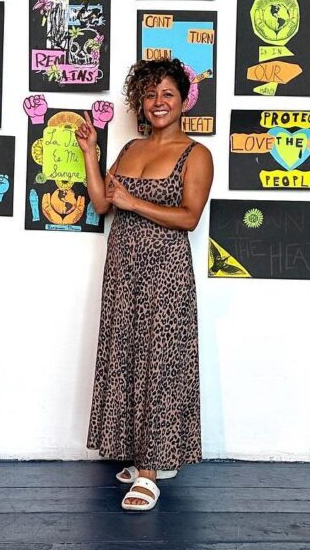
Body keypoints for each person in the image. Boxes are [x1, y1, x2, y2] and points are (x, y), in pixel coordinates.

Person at [77, 58, 214, 512]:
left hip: (166, 274)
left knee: (160, 363)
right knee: (127, 356)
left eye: (167, 95)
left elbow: (189, 218)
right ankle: (141, 455)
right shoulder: (131, 148)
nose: (158, 103)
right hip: (123, 270)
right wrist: (90, 152)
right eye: (150, 95)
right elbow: (100, 202)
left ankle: (152, 472)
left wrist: (134, 202)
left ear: (183, 101)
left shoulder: (197, 154)